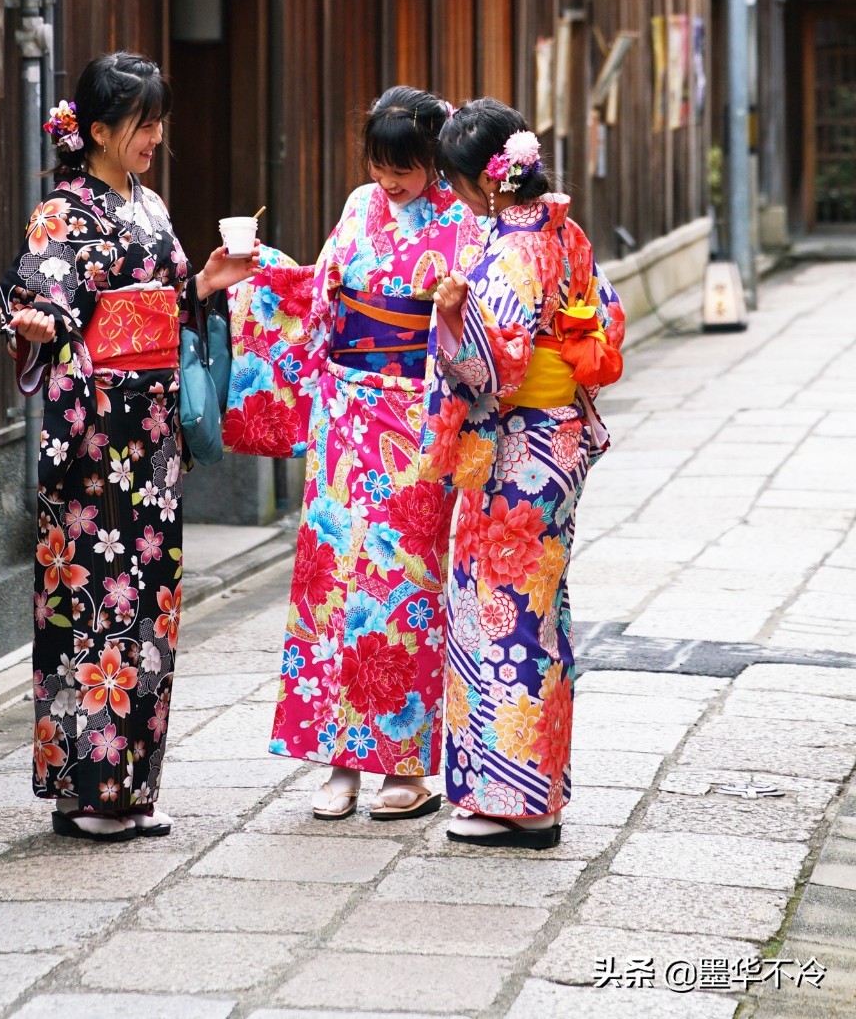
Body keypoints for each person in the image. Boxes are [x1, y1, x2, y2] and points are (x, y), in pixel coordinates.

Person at [0, 51, 250, 843]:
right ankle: (89, 788)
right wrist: (37, 324)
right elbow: (43, 297)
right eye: (141, 122)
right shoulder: (61, 214)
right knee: (96, 603)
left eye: (157, 120)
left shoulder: (150, 205)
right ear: (98, 129)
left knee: (153, 604)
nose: (155, 135)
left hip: (155, 441)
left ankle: (131, 785)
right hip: (97, 438)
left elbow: (166, 299)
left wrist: (203, 284)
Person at [229, 89, 481, 821]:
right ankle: (337, 758)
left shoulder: (462, 222)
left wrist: (451, 314)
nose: (390, 180)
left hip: (419, 413)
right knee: (333, 578)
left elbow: (476, 322)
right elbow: (318, 295)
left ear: (434, 159)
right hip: (347, 411)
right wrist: (260, 273)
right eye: (379, 163)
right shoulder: (357, 207)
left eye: (404, 166)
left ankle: (404, 764)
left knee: (401, 584)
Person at [424, 97, 625, 850]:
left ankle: (519, 801)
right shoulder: (564, 232)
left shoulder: (508, 252)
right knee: (538, 611)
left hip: (515, 451)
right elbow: (608, 314)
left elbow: (486, 373)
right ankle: (531, 790)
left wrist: (448, 323)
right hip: (559, 441)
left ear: (484, 183)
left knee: (504, 613)